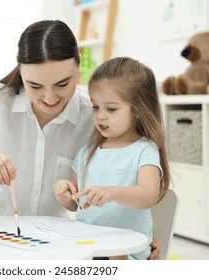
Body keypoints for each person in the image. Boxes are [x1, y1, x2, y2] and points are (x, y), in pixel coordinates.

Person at [0, 20, 160, 259]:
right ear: (21, 72)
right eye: (35, 85)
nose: (49, 98)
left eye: (63, 84)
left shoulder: (92, 115)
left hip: (54, 248)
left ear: (78, 70)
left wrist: (136, 239)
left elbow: (128, 174)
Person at [54, 57, 170, 260]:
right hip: (91, 248)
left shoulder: (144, 150)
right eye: (95, 106)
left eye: (111, 108)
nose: (100, 116)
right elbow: (76, 203)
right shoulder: (87, 151)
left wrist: (111, 192)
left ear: (138, 110)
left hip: (126, 252)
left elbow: (148, 194)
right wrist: (65, 195)